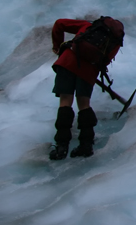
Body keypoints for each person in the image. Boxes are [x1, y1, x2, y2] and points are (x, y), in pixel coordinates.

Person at [49, 16, 125, 160]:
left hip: (68, 62)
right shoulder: (115, 42)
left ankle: (61, 146)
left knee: (65, 101)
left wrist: (57, 46)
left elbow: (59, 23)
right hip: (89, 70)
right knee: (84, 104)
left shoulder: (88, 27)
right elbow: (105, 61)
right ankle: (86, 145)